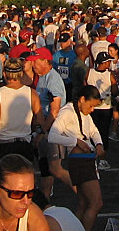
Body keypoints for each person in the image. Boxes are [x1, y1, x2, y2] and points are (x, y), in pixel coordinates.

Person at [48, 86, 104, 231]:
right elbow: (52, 136)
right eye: (91, 106)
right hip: (80, 161)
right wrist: (75, 141)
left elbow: (93, 130)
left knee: (84, 204)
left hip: (86, 159)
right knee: (96, 203)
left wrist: (99, 143)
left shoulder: (83, 112)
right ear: (82, 99)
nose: (92, 110)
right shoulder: (67, 112)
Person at [27, 47, 73, 199]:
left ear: (45, 61)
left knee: (54, 168)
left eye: (35, 62)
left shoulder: (53, 80)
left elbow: (54, 111)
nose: (33, 65)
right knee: (45, 167)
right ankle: (45, 197)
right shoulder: (42, 77)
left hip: (51, 129)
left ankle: (82, 190)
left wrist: (42, 132)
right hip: (44, 126)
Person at [0, 58, 44, 163]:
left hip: (4, 142)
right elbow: (40, 120)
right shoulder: (32, 93)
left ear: (4, 74)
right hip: (24, 143)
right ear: (21, 73)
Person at [86, 51, 117, 170]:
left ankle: (91, 157)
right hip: (105, 107)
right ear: (104, 63)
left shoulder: (89, 72)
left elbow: (85, 86)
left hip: (91, 107)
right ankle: (102, 159)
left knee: (91, 132)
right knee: (103, 133)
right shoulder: (109, 75)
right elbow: (114, 89)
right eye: (108, 61)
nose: (109, 63)